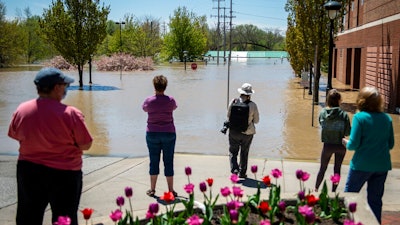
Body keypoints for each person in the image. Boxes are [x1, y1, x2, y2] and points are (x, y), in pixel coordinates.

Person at [8, 67, 93, 225]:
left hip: (29, 172)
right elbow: (86, 144)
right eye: (65, 85)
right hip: (65, 174)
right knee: (64, 218)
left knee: (28, 217)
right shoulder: (70, 114)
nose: (66, 88)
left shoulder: (22, 110)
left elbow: (14, 134)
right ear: (56, 87)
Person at [342, 86, 394, 224]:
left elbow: (353, 145)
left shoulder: (359, 118)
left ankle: (348, 221)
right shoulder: (387, 119)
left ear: (361, 101)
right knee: (375, 201)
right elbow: (391, 145)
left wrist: (345, 142)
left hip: (361, 165)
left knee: (349, 196)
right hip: (382, 165)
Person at [142, 75, 178, 197]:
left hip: (152, 133)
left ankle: (152, 189)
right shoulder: (171, 100)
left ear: (154, 86)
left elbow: (144, 109)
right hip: (169, 132)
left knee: (154, 160)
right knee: (168, 161)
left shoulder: (149, 101)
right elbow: (175, 107)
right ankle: (171, 190)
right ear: (165, 86)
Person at [315, 89, 351, 192]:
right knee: (337, 169)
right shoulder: (344, 115)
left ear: (328, 100)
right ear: (339, 100)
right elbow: (348, 131)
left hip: (327, 146)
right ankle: (333, 192)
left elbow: (322, 124)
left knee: (322, 168)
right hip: (341, 145)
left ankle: (316, 189)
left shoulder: (322, 113)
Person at [226, 83, 259, 178]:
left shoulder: (233, 101)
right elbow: (256, 121)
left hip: (233, 131)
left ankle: (234, 169)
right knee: (244, 152)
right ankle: (242, 172)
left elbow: (228, 116)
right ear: (249, 94)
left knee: (233, 151)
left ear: (240, 92)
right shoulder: (253, 105)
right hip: (247, 133)